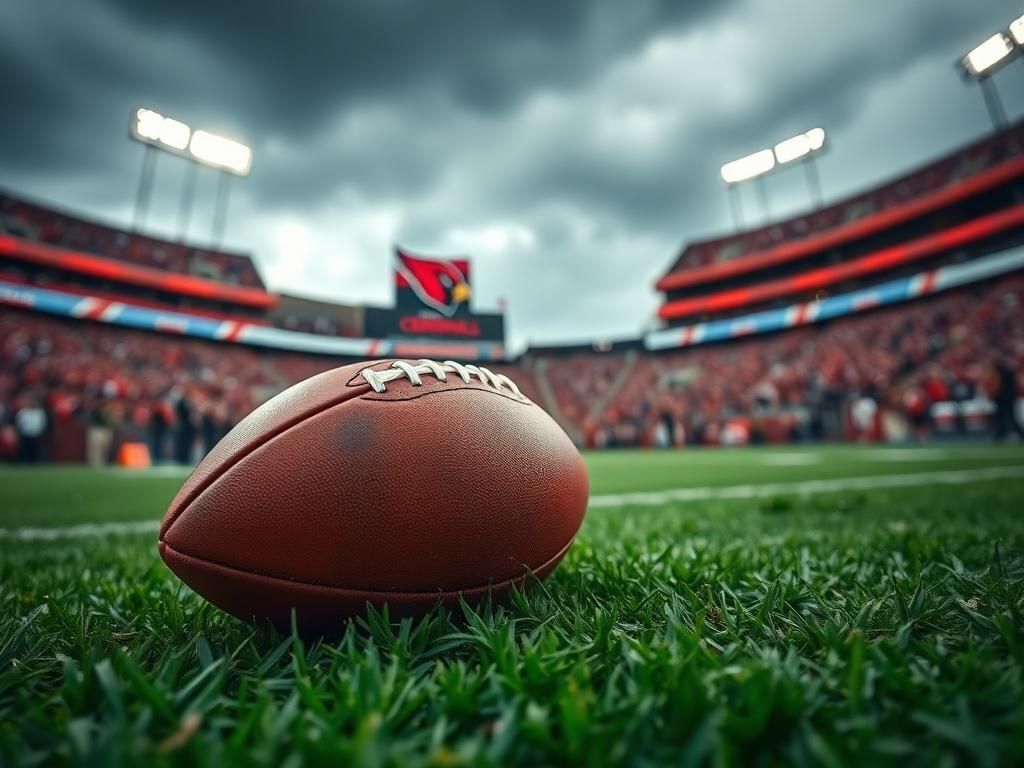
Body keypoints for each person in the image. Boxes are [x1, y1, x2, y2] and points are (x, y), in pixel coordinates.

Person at [992, 356, 1024, 442]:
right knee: (1007, 417)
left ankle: (1001, 435)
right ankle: (1001, 435)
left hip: (1004, 398)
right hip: (1006, 398)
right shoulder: (1008, 372)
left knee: (1005, 417)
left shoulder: (1003, 372)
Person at [14, 394, 47, 463]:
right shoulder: (23, 412)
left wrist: (40, 432)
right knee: (25, 450)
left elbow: (42, 423)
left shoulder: (39, 412)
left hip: (37, 435)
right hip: (25, 435)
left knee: (35, 451)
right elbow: (18, 423)